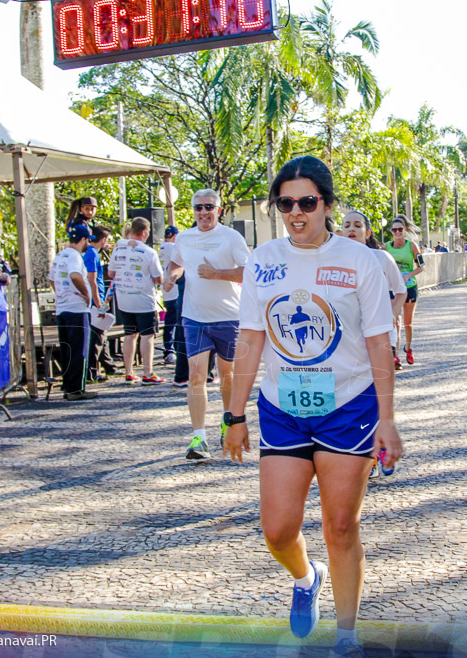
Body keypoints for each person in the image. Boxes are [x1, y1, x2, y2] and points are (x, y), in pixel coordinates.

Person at [223, 156, 401, 657]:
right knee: (278, 528)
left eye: (307, 202)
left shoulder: (360, 259)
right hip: (282, 405)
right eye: (285, 203)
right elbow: (252, 338)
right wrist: (234, 415)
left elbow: (378, 344)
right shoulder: (263, 259)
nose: (296, 213)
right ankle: (306, 578)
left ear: (326, 203)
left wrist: (387, 419)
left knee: (340, 525)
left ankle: (347, 636)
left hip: (349, 405)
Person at [163, 190, 250, 461]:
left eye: (209, 207)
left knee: (228, 377)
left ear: (219, 209)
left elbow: (250, 272)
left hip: (228, 317)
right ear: (193, 211)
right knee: (196, 376)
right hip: (194, 317)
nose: (203, 212)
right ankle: (198, 437)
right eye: (198, 207)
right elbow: (177, 263)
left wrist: (218, 274)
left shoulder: (231, 237)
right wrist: (171, 277)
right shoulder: (185, 238)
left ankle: (227, 421)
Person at [341, 209, 406, 482]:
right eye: (347, 225)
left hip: (380, 339)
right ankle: (362, 451)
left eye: (358, 225)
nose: (352, 229)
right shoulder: (333, 260)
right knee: (356, 397)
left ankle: (381, 449)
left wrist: (391, 312)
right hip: (349, 343)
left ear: (368, 233)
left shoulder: (381, 258)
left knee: (378, 395)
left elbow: (401, 291)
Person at [108, 217, 165, 385]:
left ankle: (129, 372)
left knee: (129, 335)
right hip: (143, 300)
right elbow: (159, 278)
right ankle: (148, 372)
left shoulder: (117, 250)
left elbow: (110, 274)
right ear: (145, 232)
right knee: (147, 336)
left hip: (124, 298)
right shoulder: (149, 252)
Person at [49, 225, 97, 401]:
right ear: (83, 240)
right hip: (77, 308)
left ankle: (68, 386)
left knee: (67, 349)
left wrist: (62, 294)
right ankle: (77, 388)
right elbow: (75, 275)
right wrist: (85, 293)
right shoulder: (75, 257)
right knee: (79, 350)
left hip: (63, 308)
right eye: (88, 241)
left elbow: (52, 279)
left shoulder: (60, 255)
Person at [385, 214, 424, 365]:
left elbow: (422, 267)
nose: (397, 232)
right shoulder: (386, 247)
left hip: (409, 287)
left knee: (408, 323)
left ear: (405, 229)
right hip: (393, 289)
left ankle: (408, 348)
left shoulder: (411, 246)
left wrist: (409, 275)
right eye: (394, 230)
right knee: (396, 321)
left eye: (400, 229)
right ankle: (395, 355)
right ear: (391, 231)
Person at [86, 225, 118, 380]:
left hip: (98, 296)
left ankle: (108, 365)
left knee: (101, 333)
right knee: (96, 336)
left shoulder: (93, 253)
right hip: (95, 299)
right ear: (103, 239)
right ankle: (92, 371)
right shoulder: (91, 254)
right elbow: (91, 279)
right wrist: (99, 303)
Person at [158, 225, 181, 366]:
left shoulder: (160, 248)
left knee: (169, 322)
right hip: (174, 289)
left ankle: (169, 349)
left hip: (166, 291)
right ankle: (171, 350)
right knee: (174, 323)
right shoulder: (173, 248)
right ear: (174, 236)